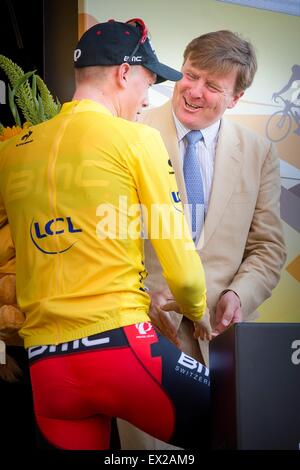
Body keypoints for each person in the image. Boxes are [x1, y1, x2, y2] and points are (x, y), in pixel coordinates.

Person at [0, 19, 212, 450]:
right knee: (248, 417)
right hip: (122, 349)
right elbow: (185, 272)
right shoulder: (136, 139)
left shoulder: (10, 151)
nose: (146, 97)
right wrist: (196, 310)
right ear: (123, 73)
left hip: (48, 369)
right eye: (148, 81)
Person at [117, 29, 287, 449]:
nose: (193, 91)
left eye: (212, 85)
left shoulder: (260, 152)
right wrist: (139, 295)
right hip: (145, 336)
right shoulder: (127, 134)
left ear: (236, 98)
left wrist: (238, 295)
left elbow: (268, 247)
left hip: (224, 343)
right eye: (190, 75)